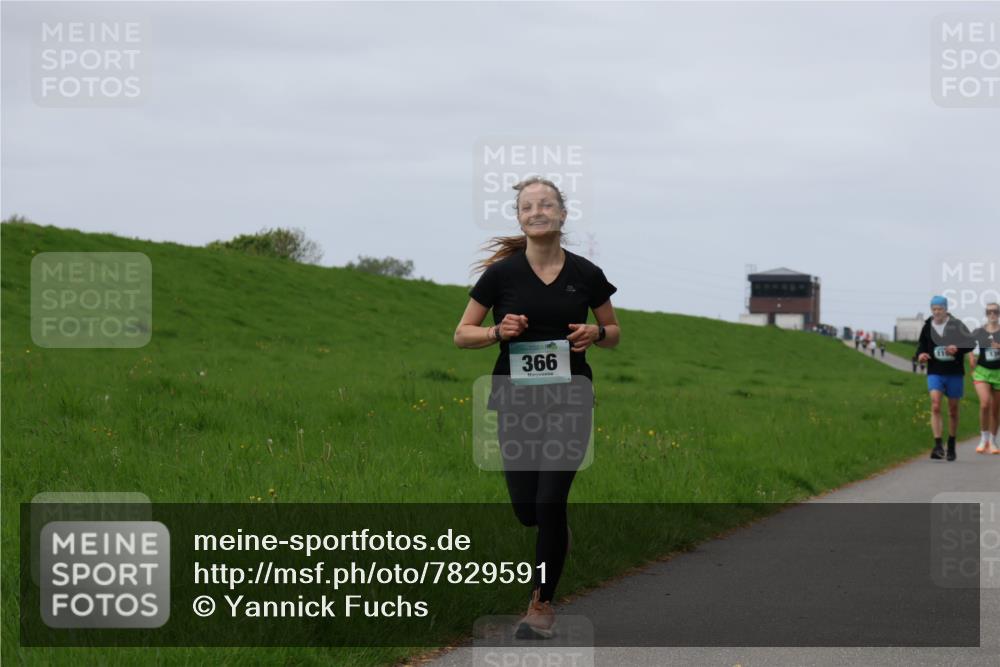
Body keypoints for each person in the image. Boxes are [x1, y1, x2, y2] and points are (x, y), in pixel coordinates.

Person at [454, 175, 620, 639]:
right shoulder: (501, 275)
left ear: (563, 214)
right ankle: (553, 531)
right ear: (519, 218)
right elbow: (461, 333)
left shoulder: (586, 274)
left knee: (551, 500)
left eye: (546, 204)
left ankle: (541, 606)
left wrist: (596, 334)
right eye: (528, 206)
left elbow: (614, 331)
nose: (537, 211)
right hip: (515, 399)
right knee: (527, 508)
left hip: (570, 398)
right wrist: (496, 333)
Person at [916, 296, 975, 461]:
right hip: (935, 371)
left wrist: (957, 348)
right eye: (934, 309)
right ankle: (937, 445)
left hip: (954, 372)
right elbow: (921, 345)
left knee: (953, 410)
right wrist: (920, 355)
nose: (936, 312)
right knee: (935, 405)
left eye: (939, 309)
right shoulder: (927, 326)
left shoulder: (956, 325)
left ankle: (951, 443)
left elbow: (971, 343)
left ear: (946, 309)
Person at [970, 302, 1000, 454]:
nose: (992, 314)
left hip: (999, 373)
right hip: (982, 371)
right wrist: (971, 357)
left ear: (999, 313)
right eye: (989, 312)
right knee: (984, 404)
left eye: (995, 311)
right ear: (986, 314)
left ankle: (993, 442)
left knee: (995, 410)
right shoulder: (979, 331)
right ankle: (983, 439)